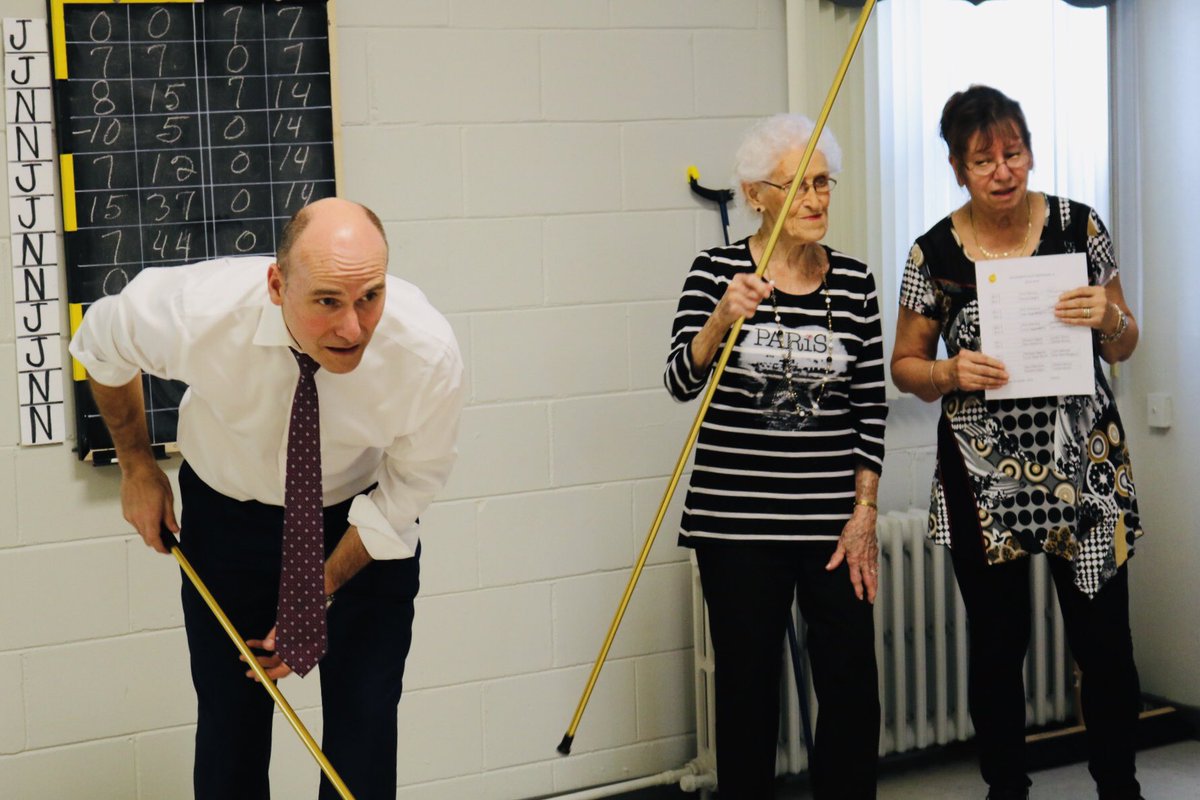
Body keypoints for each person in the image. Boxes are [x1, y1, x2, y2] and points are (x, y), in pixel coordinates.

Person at [68, 198, 465, 800]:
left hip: (359, 521)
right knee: (231, 730)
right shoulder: (200, 310)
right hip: (228, 518)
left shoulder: (426, 353)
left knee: (364, 729)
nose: (353, 328)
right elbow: (101, 343)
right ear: (277, 286)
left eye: (370, 297)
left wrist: (317, 588)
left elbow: (409, 486)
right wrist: (137, 467)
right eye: (327, 301)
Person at [891, 86, 1144, 800]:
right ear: (957, 168)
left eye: (1014, 152)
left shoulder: (1079, 226)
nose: (1003, 171)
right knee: (1000, 647)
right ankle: (1006, 788)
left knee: (1105, 643)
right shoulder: (933, 252)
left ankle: (1119, 785)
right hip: (984, 477)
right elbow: (904, 365)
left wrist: (1108, 318)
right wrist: (946, 372)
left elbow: (1126, 340)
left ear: (1029, 151)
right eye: (983, 160)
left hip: (1084, 465)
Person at [665, 113, 886, 799]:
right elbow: (679, 380)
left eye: (824, 182)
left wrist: (865, 513)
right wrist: (720, 319)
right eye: (799, 186)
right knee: (748, 698)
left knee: (852, 691)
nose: (817, 198)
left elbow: (870, 410)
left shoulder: (855, 284)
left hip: (831, 528)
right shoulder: (715, 273)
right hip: (737, 529)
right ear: (756, 195)